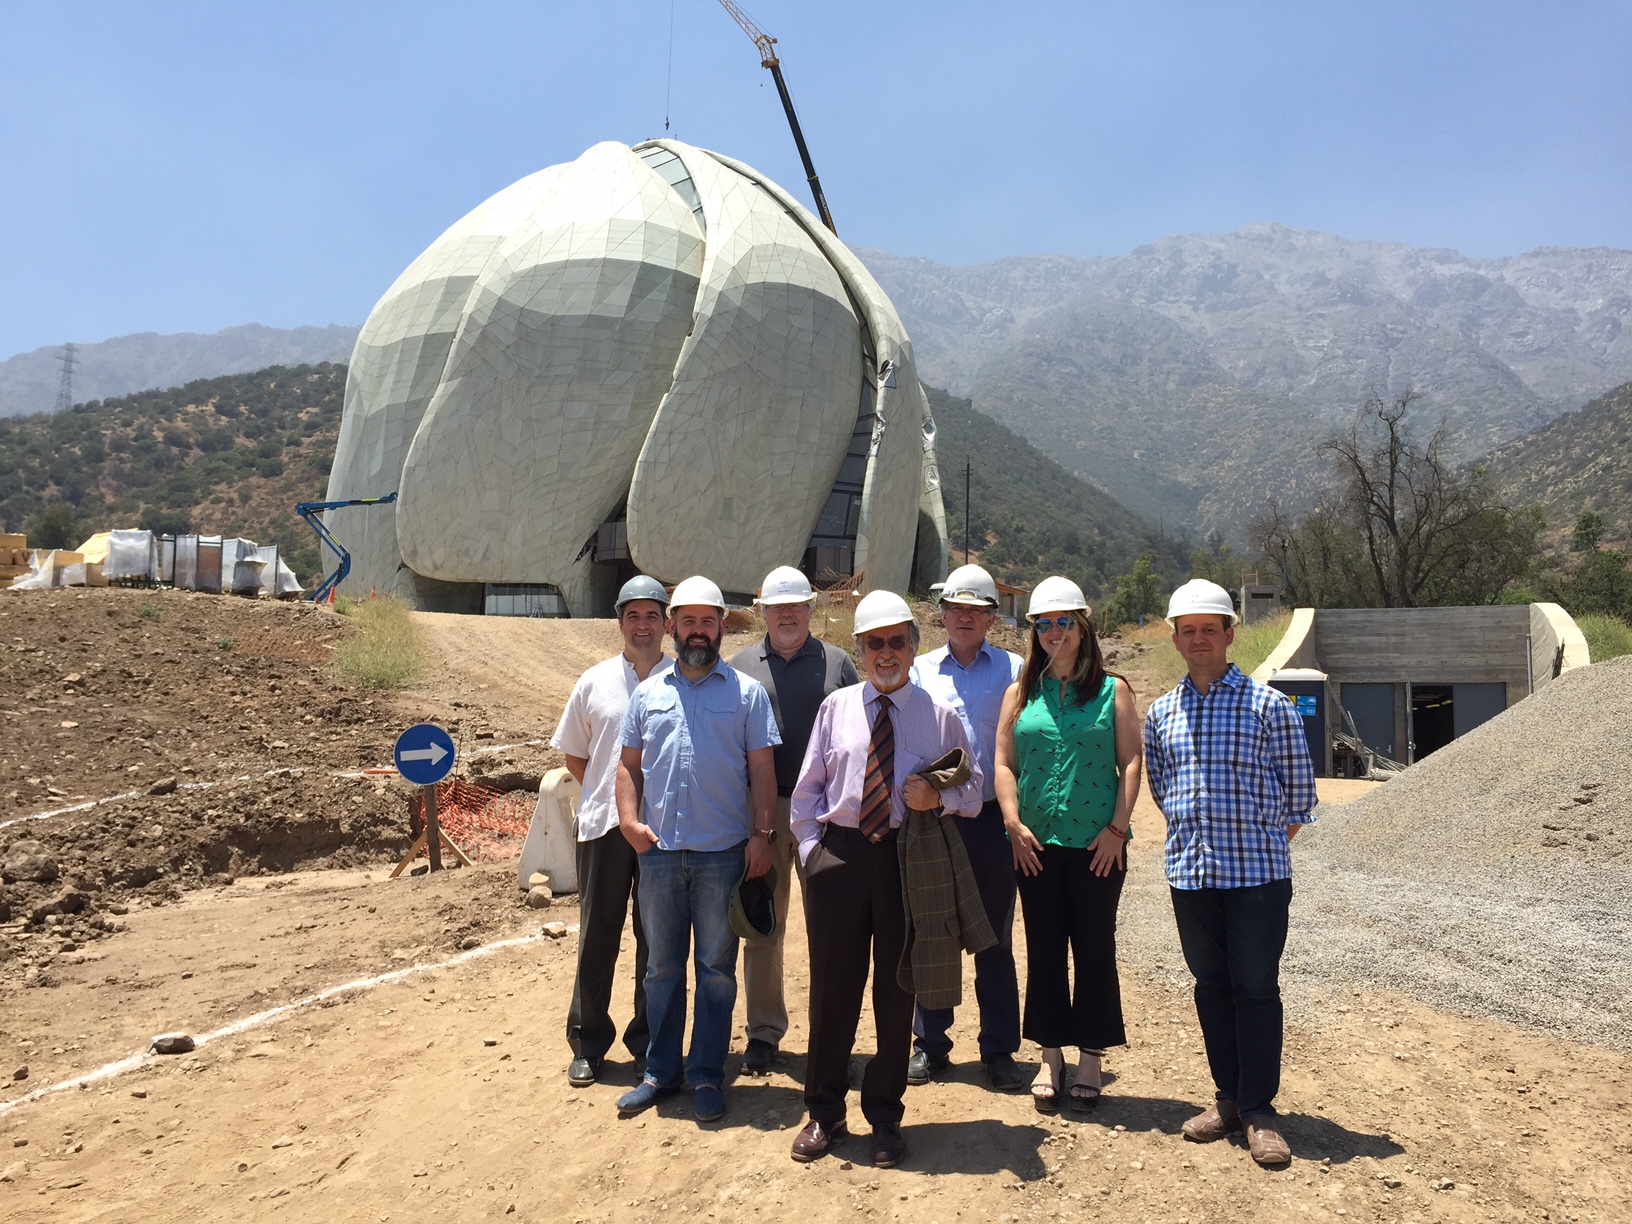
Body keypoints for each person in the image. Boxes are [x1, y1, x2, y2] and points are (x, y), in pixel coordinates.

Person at [788, 591, 983, 1169]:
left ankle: (884, 1117)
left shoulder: (940, 714)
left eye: (898, 640)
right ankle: (824, 1111)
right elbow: (807, 792)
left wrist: (937, 795)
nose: (887, 652)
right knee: (831, 991)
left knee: (897, 993)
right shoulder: (836, 708)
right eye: (876, 642)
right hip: (840, 862)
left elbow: (971, 791)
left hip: (906, 862)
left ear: (914, 647)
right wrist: (810, 853)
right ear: (861, 650)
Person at [1143, 578, 1317, 1166]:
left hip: (1258, 880)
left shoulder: (1269, 706)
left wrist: (1253, 845)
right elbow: (1164, 789)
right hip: (1190, 876)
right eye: (1187, 630)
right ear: (1175, 638)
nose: (1198, 640)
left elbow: (1298, 800)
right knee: (1211, 987)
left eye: (1209, 630)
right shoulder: (1162, 712)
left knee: (1256, 987)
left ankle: (1260, 1110)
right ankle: (1227, 1100)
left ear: (1229, 634)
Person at [615, 576, 781, 1123]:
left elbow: (762, 770)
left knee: (715, 969)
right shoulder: (648, 694)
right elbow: (628, 766)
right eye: (688, 621)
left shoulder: (748, 694)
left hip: (722, 856)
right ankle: (660, 1072)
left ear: (721, 627)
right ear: (672, 627)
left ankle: (707, 1073)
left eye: (708, 621)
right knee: (661, 969)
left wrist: (762, 836)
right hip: (660, 854)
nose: (698, 632)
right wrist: (629, 821)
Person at [995, 576, 1142, 1113]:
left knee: (1095, 947)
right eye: (1043, 624)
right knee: (1045, 949)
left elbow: (1130, 761)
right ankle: (1049, 1054)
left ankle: (1091, 1058)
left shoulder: (1112, 689)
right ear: (1033, 631)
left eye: (1064, 622)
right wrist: (1011, 821)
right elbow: (1004, 764)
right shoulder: (1020, 693)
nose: (1054, 632)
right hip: (1034, 844)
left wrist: (1118, 830)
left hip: (1097, 845)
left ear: (1082, 628)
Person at [728, 565, 860, 1074]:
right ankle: (763, 1032)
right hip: (762, 812)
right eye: (777, 607)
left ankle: (833, 1036)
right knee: (763, 924)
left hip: (825, 813)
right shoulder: (740, 668)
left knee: (833, 928)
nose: (787, 615)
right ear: (762, 611)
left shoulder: (839, 664)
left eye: (796, 606)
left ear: (811, 610)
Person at [906, 564, 1025, 1091]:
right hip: (938, 821)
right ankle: (930, 1045)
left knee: (995, 937)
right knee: (932, 932)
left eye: (975, 611)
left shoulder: (1015, 669)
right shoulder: (920, 671)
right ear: (941, 614)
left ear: (991, 618)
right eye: (956, 609)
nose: (964, 618)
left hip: (993, 821)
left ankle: (999, 1049)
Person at [553, 575, 674, 1088]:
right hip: (603, 827)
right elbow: (575, 755)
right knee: (597, 936)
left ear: (667, 623)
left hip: (664, 832)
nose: (642, 626)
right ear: (619, 622)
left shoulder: (684, 679)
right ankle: (588, 1041)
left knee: (657, 941)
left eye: (652, 616)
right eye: (633, 616)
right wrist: (611, 796)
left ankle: (647, 1042)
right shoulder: (595, 681)